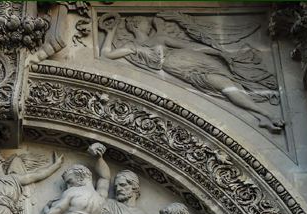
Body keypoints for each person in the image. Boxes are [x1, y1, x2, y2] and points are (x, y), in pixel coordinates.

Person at [103, 15, 283, 132]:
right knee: (226, 87)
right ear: (135, 24)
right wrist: (110, 32)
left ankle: (260, 117)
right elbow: (107, 55)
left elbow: (189, 46)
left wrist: (217, 52)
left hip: (196, 60)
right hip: (186, 69)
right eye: (144, 22)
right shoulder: (132, 46)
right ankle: (265, 115)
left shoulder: (159, 38)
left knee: (230, 85)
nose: (147, 24)